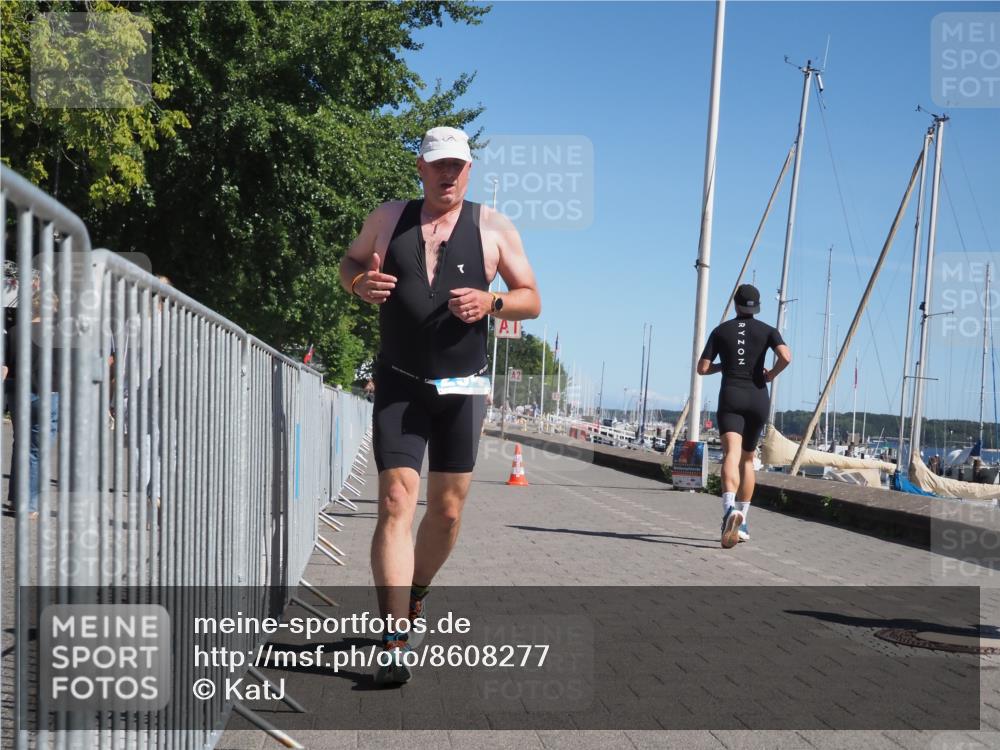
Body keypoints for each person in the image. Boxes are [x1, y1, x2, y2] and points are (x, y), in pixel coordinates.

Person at [339, 126, 541, 685]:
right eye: (437, 165)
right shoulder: (388, 217)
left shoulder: (494, 227)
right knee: (395, 501)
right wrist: (359, 285)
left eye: (456, 165)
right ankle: (393, 637)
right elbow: (350, 263)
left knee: (447, 510)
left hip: (464, 386)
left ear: (469, 170)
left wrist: (493, 299)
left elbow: (532, 299)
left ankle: (418, 593)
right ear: (421, 169)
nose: (447, 174)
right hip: (400, 380)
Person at [697, 284, 792, 549]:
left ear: (736, 304)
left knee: (731, 456)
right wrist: (770, 375)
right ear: (756, 306)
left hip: (731, 397)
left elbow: (702, 368)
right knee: (748, 461)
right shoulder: (768, 331)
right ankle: (744, 521)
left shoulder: (721, 331)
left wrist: (723, 365)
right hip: (758, 398)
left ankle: (729, 510)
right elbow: (786, 356)